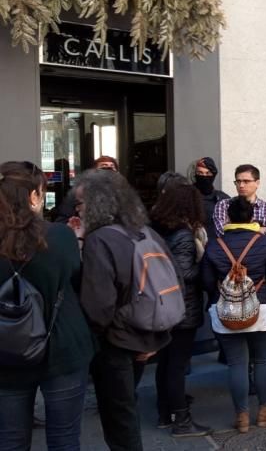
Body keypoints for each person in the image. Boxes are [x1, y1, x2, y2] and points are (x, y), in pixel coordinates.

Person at [77, 168, 175, 450]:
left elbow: (99, 307)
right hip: (142, 339)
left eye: (81, 203)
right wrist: (154, 336)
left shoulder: (100, 240)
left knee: (120, 417)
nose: (78, 208)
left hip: (115, 345)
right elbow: (171, 285)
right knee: (125, 408)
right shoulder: (146, 233)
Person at [0, 161, 94, 450]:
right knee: (64, 438)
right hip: (61, 345)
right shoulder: (59, 236)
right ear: (32, 196)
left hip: (5, 350)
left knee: (10, 439)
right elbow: (75, 277)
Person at [202, 196, 266, 433]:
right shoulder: (265, 243)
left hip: (226, 311)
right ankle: (265, 412)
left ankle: (241, 417)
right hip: (260, 309)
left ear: (228, 218)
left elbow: (207, 282)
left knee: (236, 363)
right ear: (252, 217)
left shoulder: (215, 244)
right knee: (261, 359)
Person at [149, 180, 212, 437]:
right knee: (176, 364)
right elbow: (184, 272)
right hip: (182, 307)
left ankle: (165, 412)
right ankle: (181, 420)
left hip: (163, 305)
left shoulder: (158, 228)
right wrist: (205, 265)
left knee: (165, 362)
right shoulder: (184, 235)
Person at [212, 164, 266, 243]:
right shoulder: (223, 205)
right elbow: (221, 234)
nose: (241, 185)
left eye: (246, 181)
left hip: (258, 254)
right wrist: (258, 229)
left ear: (257, 183)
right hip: (230, 252)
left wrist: (232, 229)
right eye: (238, 181)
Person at [52, 155, 119, 223]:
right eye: (104, 167)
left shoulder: (121, 194)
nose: (108, 170)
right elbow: (63, 220)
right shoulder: (78, 193)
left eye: (112, 167)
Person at [191, 157, 230, 239]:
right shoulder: (186, 195)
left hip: (216, 246)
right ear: (195, 174)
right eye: (200, 173)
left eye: (208, 173)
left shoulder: (222, 199)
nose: (204, 176)